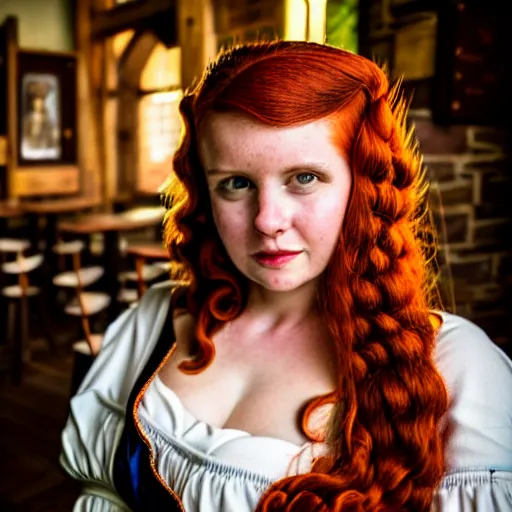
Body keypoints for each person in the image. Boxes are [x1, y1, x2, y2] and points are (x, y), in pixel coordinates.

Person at [60, 40, 512, 511]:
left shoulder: (457, 370)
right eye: (236, 184)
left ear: (363, 186)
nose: (267, 220)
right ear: (204, 193)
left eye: (304, 178)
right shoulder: (153, 320)